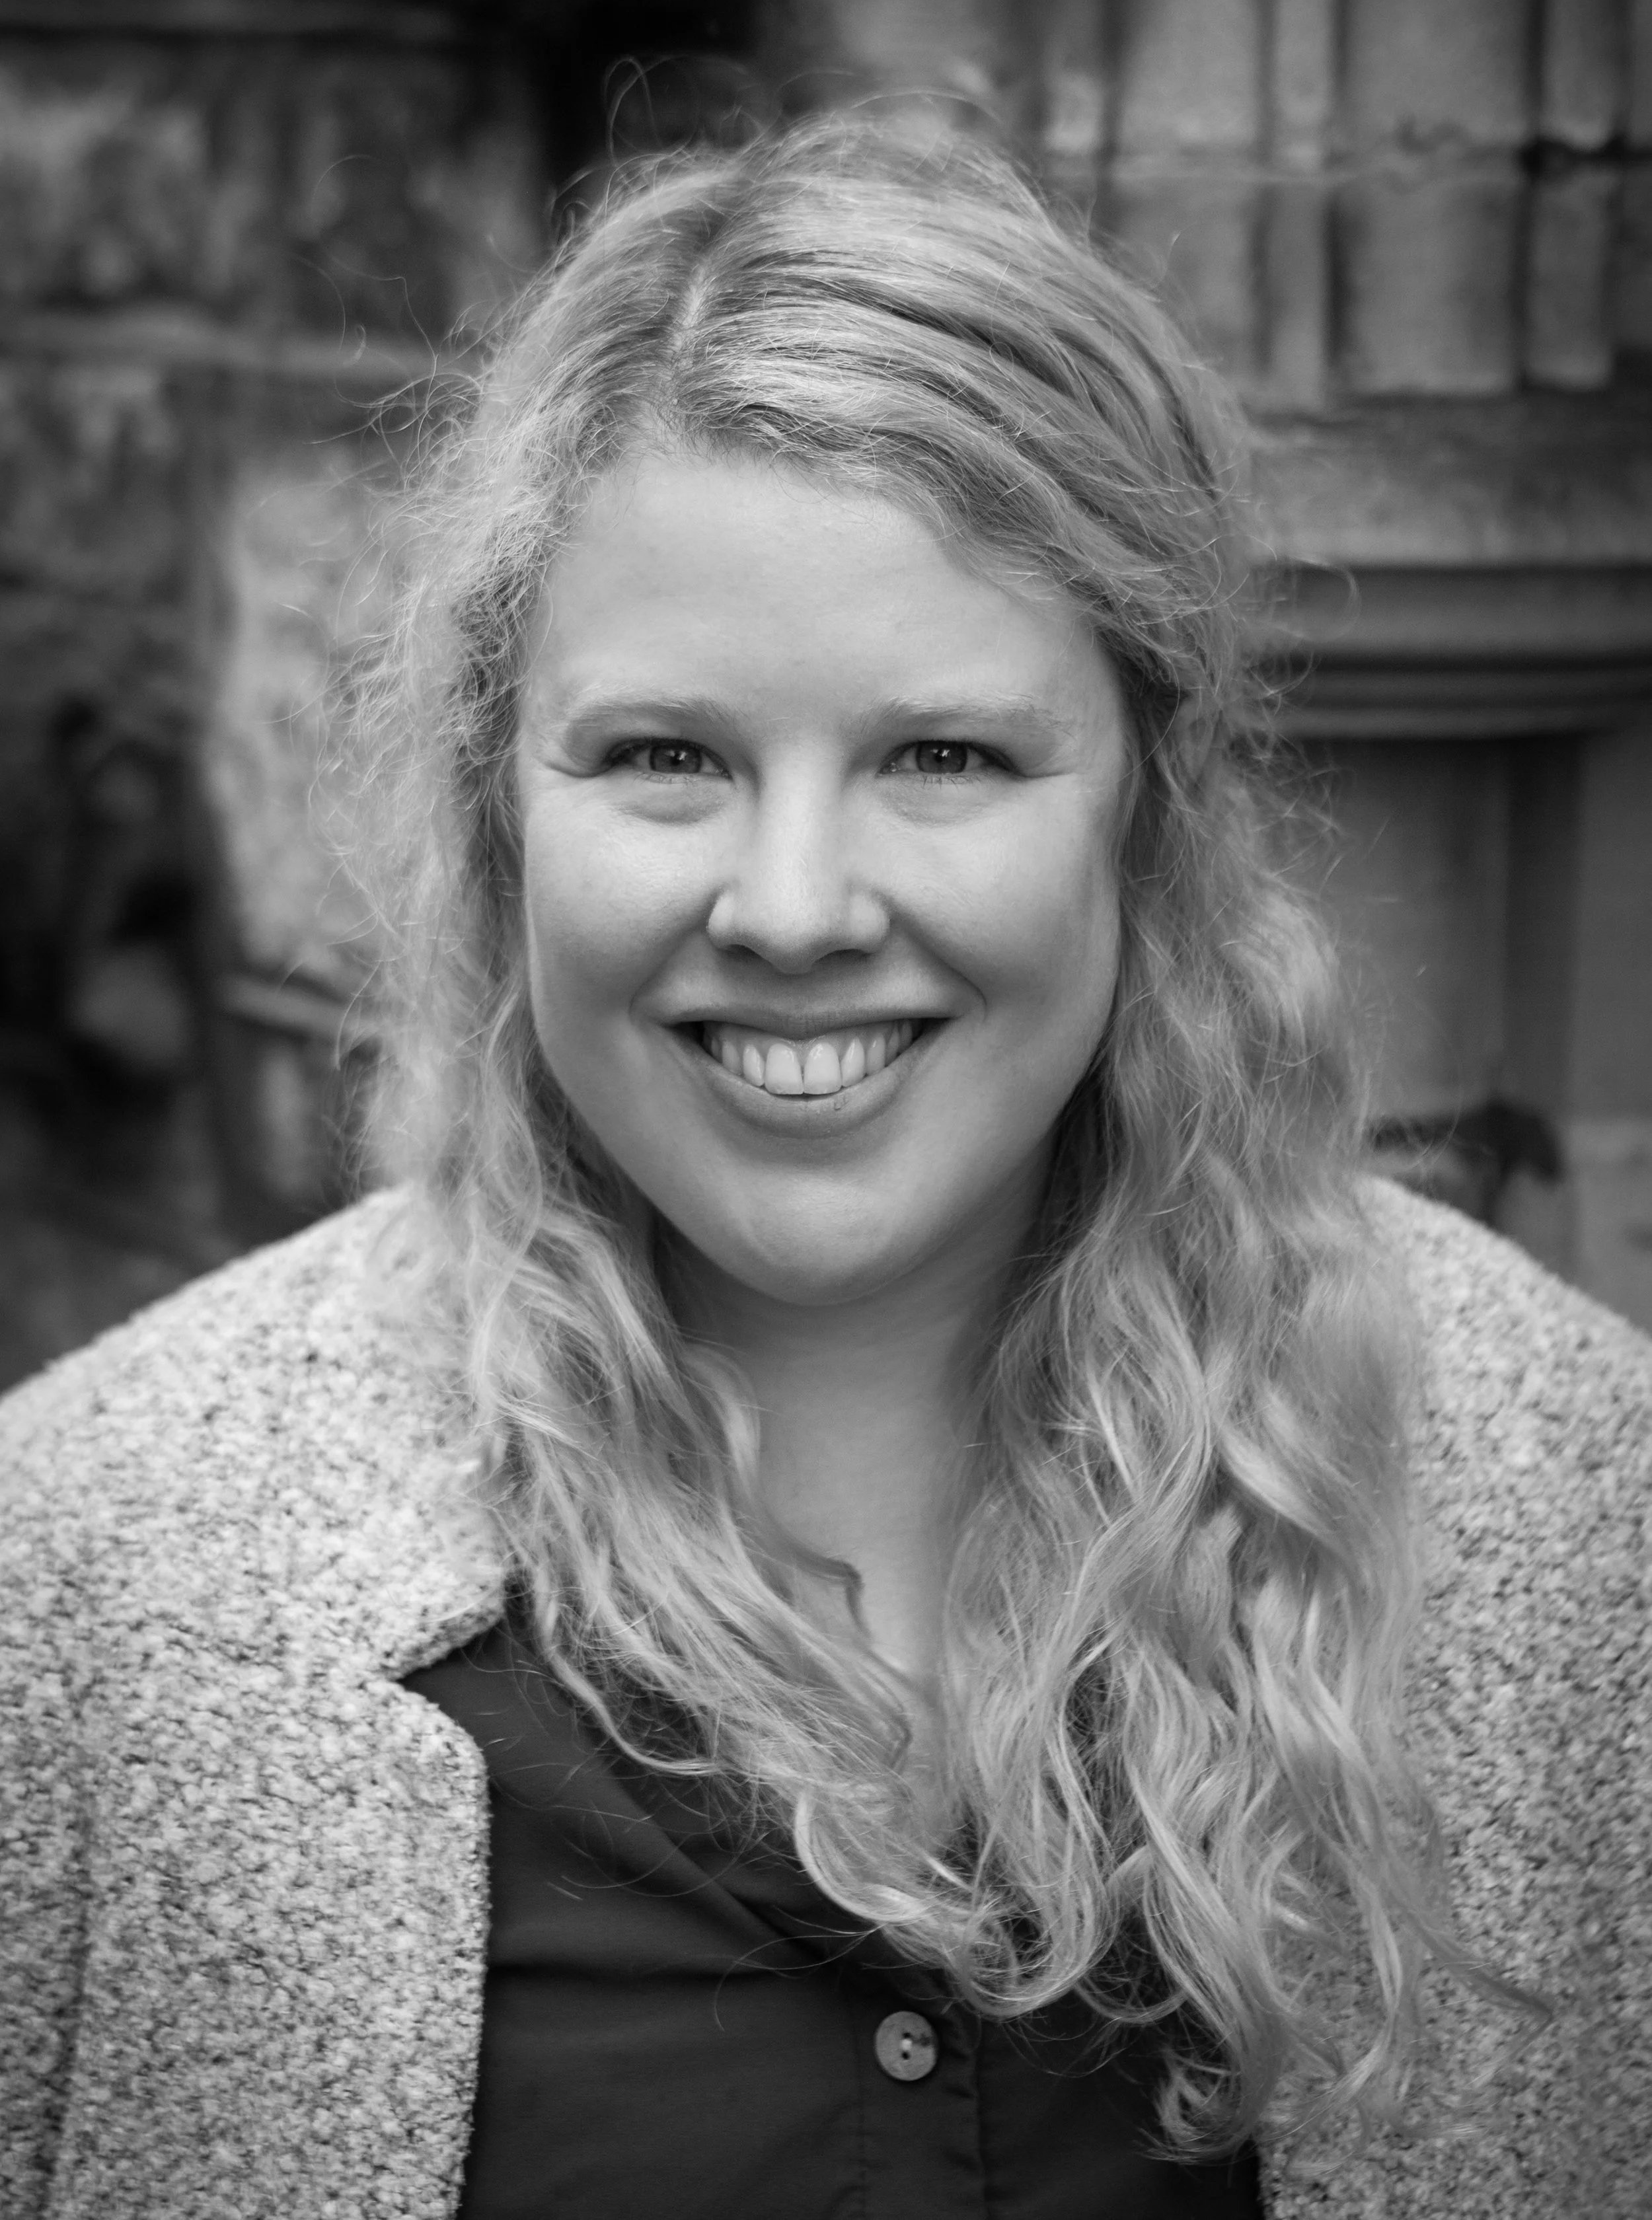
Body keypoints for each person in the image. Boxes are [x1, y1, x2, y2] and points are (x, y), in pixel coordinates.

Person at [2, 119, 1647, 2220]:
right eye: (665, 754)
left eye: (941, 754)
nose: (790, 905)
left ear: (1145, 812)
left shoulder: (1593, 1522)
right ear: (506, 810)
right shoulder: (87, 1595)